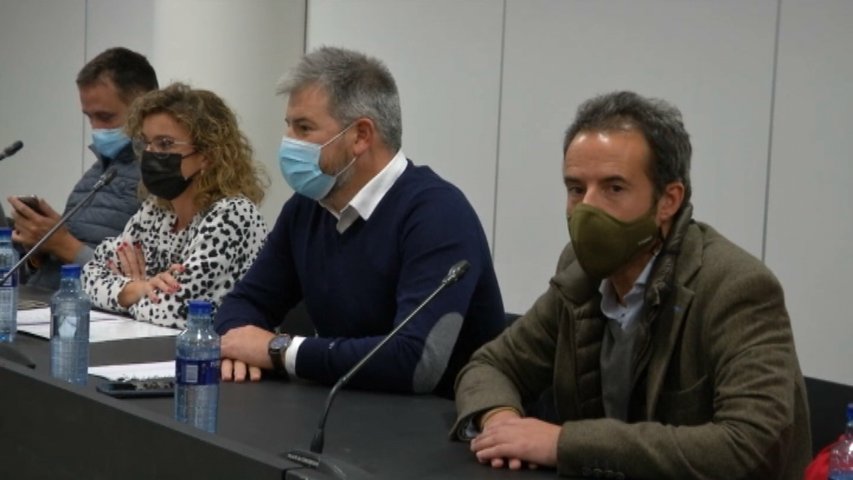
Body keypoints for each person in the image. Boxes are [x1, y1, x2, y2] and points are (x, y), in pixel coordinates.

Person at [452, 91, 811, 478]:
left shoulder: (737, 287)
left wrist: (562, 443)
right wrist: (503, 423)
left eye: (614, 188)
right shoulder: (581, 272)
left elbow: (751, 444)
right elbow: (491, 365)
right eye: (576, 189)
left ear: (668, 201)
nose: (587, 208)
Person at [214, 46, 504, 397]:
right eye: (288, 126)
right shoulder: (307, 207)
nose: (289, 143)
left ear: (361, 136)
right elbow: (244, 303)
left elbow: (415, 363)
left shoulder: (438, 214)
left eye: (304, 128)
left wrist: (278, 350)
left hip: (436, 427)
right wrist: (238, 348)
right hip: (340, 409)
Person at [82, 83, 268, 329]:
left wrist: (130, 291)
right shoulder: (156, 211)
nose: (151, 153)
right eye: (146, 143)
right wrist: (137, 288)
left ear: (207, 155)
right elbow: (88, 277)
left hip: (222, 360)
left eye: (165, 144)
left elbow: (173, 310)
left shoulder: (233, 215)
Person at [7, 47, 158, 290]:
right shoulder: (95, 175)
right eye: (90, 117)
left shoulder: (159, 178)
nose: (96, 128)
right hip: (42, 303)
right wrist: (36, 249)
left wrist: (62, 244)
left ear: (145, 109)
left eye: (106, 117)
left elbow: (144, 282)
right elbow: (56, 262)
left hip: (92, 316)